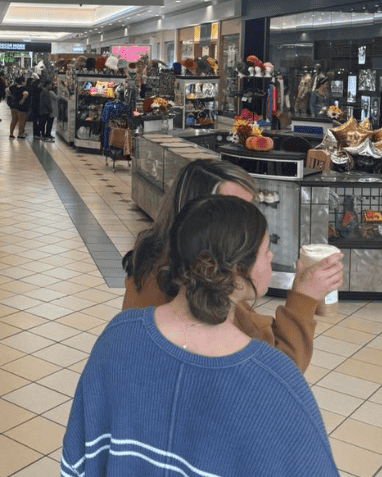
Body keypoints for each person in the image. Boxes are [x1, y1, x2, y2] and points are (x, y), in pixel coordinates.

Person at [62, 194, 351, 477]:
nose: (272, 259)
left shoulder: (118, 341)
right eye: (266, 250)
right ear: (238, 272)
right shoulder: (276, 380)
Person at [122, 158, 343, 372]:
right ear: (200, 217)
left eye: (252, 209)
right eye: (235, 210)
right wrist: (303, 300)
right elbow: (276, 371)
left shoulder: (176, 269)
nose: (251, 222)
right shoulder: (175, 292)